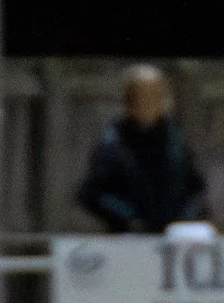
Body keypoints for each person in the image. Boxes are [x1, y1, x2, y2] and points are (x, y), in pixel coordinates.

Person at [77, 65, 209, 233]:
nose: (151, 102)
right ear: (129, 100)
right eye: (143, 96)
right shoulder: (112, 143)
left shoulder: (176, 140)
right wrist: (129, 219)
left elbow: (196, 190)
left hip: (173, 239)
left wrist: (184, 220)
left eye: (157, 95)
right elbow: (92, 195)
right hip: (128, 240)